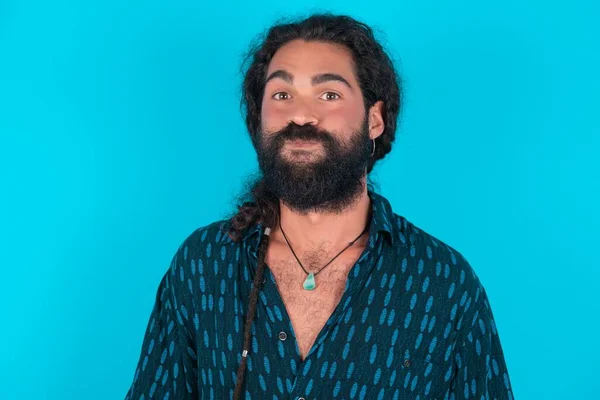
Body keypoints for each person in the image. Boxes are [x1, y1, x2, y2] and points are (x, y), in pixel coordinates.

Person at [124, 12, 513, 400]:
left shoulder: (444, 285)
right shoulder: (203, 265)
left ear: (374, 120)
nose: (301, 115)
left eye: (329, 94)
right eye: (281, 95)